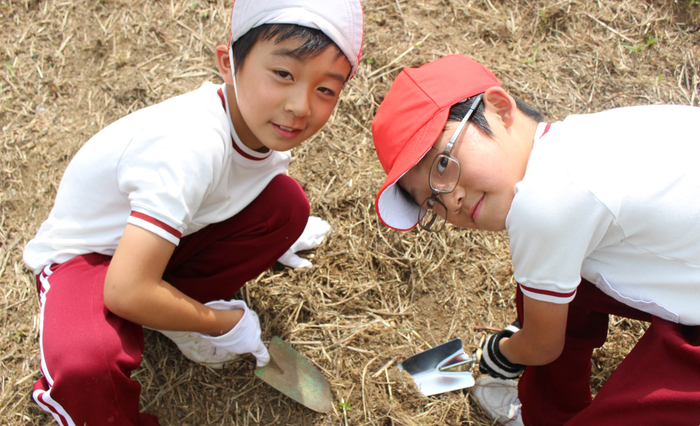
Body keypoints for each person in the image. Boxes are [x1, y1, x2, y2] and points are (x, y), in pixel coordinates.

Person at [22, 0, 363, 424]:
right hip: (91, 259)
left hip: (164, 245)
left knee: (286, 207)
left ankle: (170, 311)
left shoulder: (261, 131)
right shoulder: (190, 145)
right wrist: (218, 321)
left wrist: (275, 235)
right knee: (86, 366)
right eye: (283, 74)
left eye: (325, 89)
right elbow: (124, 290)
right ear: (228, 63)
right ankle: (168, 318)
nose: (301, 105)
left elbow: (232, 197)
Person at [370, 54, 700, 426]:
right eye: (430, 201)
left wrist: (498, 351)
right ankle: (547, 411)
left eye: (443, 163)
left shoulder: (543, 204)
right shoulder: (578, 140)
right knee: (542, 293)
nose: (450, 200)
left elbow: (544, 346)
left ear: (499, 108)